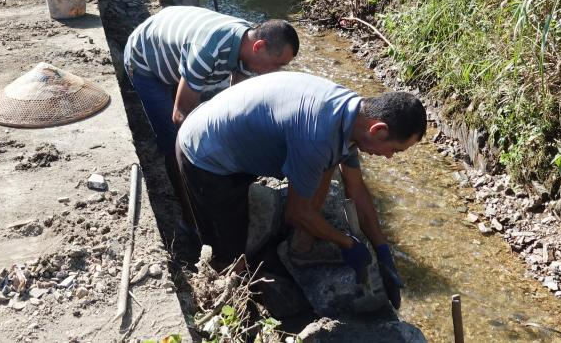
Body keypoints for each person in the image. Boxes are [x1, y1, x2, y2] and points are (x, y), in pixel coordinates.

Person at [176, 72, 425, 309]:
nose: (390, 157)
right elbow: (295, 213)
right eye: (394, 150)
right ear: (378, 130)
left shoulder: (351, 114)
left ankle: (301, 246)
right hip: (204, 156)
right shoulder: (318, 135)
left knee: (327, 166)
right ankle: (224, 309)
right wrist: (348, 244)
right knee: (230, 260)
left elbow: (356, 188)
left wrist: (382, 250)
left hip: (232, 138)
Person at [124, 6, 299, 226]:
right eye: (277, 65)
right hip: (145, 61)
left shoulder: (248, 48)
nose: (275, 73)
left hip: (177, 51)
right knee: (174, 140)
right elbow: (181, 115)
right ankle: (189, 213)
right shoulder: (208, 50)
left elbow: (237, 107)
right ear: (259, 46)